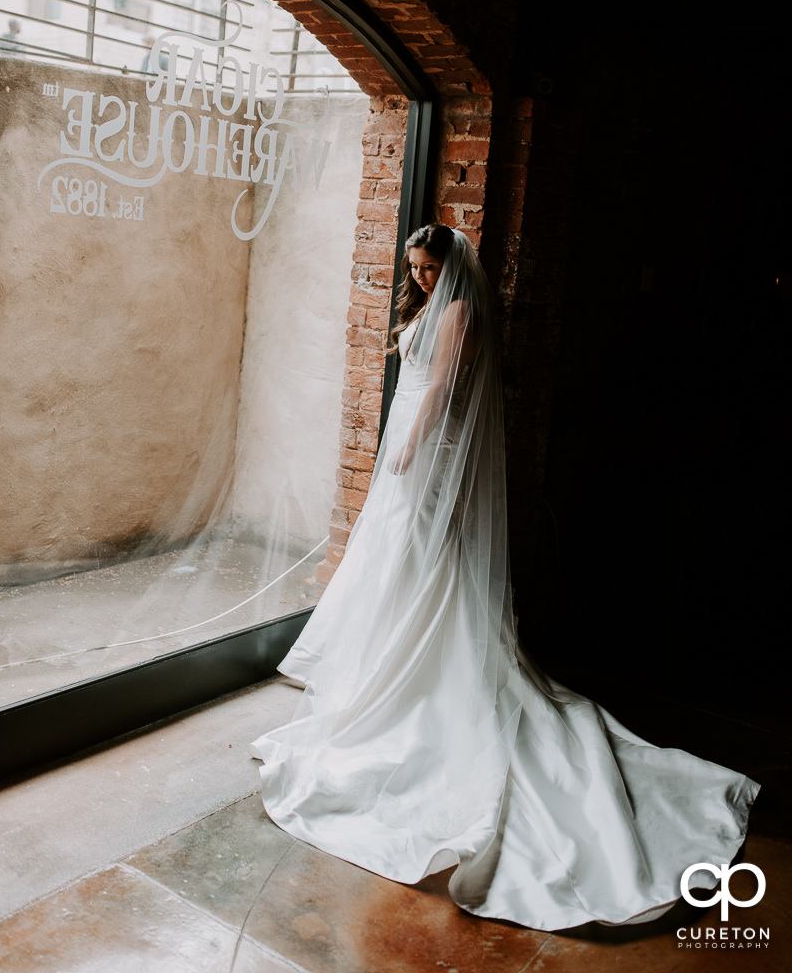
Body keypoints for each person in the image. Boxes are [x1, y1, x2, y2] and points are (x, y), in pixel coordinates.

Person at [250, 224, 758, 931]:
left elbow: (443, 389)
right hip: (405, 452)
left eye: (429, 267)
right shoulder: (430, 305)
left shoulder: (458, 311)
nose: (421, 278)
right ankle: (390, 667)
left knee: (425, 564)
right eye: (415, 269)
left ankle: (428, 676)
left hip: (422, 455)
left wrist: (407, 452)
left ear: (452, 265)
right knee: (402, 566)